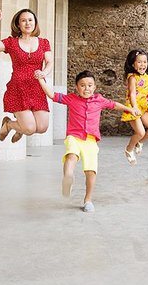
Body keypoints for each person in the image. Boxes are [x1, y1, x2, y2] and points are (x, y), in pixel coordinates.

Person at [36, 70, 137, 213]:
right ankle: (68, 178)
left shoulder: (99, 100)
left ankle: (88, 200)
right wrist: (41, 79)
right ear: (77, 88)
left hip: (90, 141)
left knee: (91, 171)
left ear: (94, 87)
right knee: (71, 156)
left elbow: (114, 105)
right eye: (82, 85)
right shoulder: (71, 99)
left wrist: (130, 109)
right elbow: (52, 95)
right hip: (74, 137)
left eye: (89, 85)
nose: (86, 88)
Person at [0, 8, 52, 144]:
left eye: (30, 20)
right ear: (18, 24)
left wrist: (43, 72)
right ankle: (9, 124)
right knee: (30, 128)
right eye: (23, 20)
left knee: (42, 127)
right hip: (18, 89)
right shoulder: (11, 43)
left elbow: (49, 62)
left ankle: (19, 128)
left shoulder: (44, 42)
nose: (27, 23)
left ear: (35, 23)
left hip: (37, 88)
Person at [121, 49, 148, 165]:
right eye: (139, 62)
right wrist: (134, 107)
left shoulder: (146, 76)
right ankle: (129, 149)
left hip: (143, 107)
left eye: (145, 62)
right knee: (140, 132)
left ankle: (140, 142)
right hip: (133, 108)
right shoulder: (132, 77)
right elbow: (132, 93)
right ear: (133, 64)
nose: (142, 64)